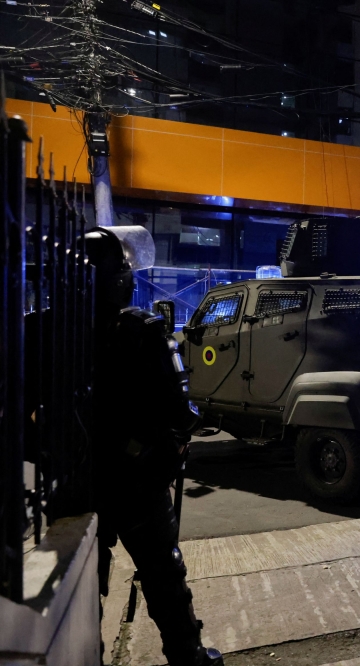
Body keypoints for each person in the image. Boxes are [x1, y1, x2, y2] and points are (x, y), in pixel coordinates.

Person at [86, 227, 223, 666]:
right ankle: (188, 657)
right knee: (164, 575)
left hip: (80, 478)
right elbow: (180, 408)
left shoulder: (45, 330)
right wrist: (168, 451)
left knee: (86, 580)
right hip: (137, 481)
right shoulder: (141, 329)